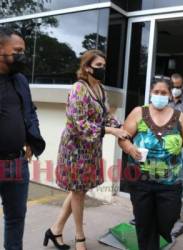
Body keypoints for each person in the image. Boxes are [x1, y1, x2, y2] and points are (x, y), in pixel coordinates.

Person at [44, 50, 129, 250]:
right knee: (79, 192)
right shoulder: (78, 89)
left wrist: (120, 127)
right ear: (87, 67)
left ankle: (55, 230)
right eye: (99, 65)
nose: (103, 69)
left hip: (90, 149)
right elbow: (77, 124)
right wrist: (111, 131)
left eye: (104, 66)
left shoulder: (100, 89)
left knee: (78, 191)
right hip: (75, 149)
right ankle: (79, 237)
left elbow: (106, 116)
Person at [118, 77, 183, 250]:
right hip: (140, 180)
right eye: (156, 92)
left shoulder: (180, 116)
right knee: (144, 224)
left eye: (163, 93)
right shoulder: (138, 112)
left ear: (170, 95)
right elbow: (123, 137)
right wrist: (130, 148)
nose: (160, 95)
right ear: (150, 93)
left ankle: (156, 235)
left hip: (170, 182)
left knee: (167, 219)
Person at [0, 27, 45, 250]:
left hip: (17, 164)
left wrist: (31, 136)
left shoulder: (20, 80)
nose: (23, 56)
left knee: (16, 219)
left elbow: (30, 110)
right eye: (17, 51)